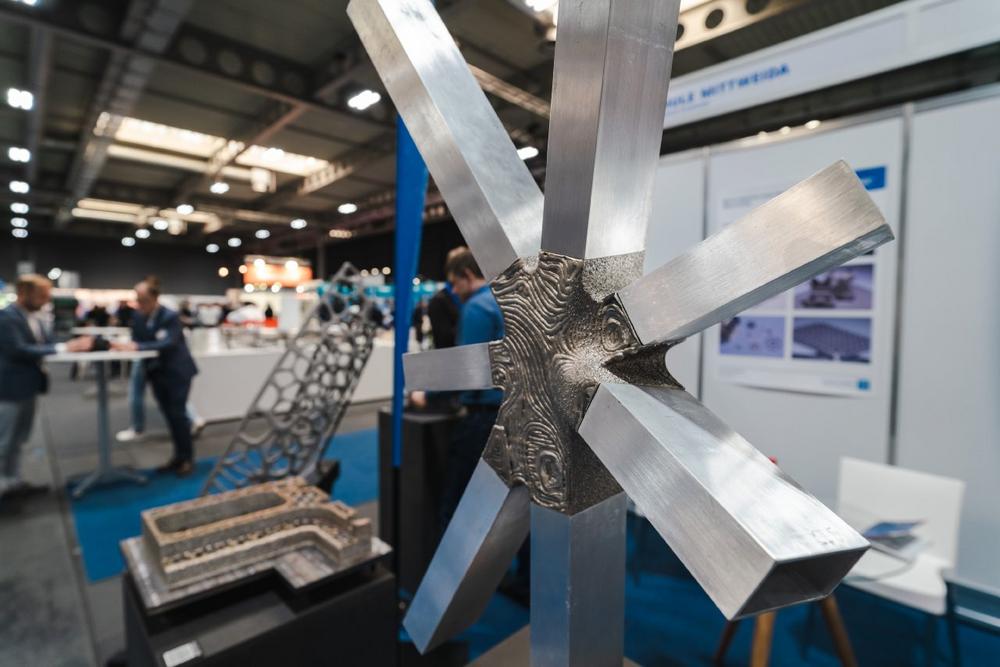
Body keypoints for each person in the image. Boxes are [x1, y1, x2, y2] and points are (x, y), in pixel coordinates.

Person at [0, 275, 93, 503]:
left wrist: (72, 346)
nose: (45, 301)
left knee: (19, 438)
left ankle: (12, 481)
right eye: (41, 296)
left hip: (29, 386)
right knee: (4, 439)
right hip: (9, 388)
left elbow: (47, 344)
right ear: (23, 293)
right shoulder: (7, 317)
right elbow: (18, 350)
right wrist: (64, 347)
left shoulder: (37, 318)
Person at [432, 247, 505, 529]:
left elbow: (465, 370)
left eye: (455, 283)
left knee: (457, 501)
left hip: (482, 418)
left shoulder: (477, 307)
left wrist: (428, 394)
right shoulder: (505, 301)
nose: (454, 291)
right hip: (514, 414)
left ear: (467, 274)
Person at [111, 278, 199, 476]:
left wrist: (138, 346)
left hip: (177, 372)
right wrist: (131, 345)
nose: (139, 303)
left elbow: (168, 343)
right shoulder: (139, 316)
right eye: (138, 299)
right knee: (169, 416)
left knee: (178, 415)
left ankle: (187, 458)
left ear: (154, 297)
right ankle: (178, 457)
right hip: (156, 372)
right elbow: (137, 339)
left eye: (143, 299)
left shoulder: (170, 316)